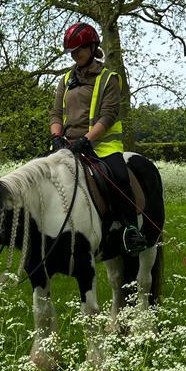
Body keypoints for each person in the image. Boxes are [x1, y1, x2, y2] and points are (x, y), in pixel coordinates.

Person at [49, 22, 148, 255]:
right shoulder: (65, 80)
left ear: (93, 48)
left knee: (120, 177)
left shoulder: (109, 79)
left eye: (80, 49)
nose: (75, 55)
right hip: (67, 146)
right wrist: (56, 137)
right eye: (72, 51)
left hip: (102, 145)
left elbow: (108, 116)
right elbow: (56, 114)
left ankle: (130, 230)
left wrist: (86, 139)